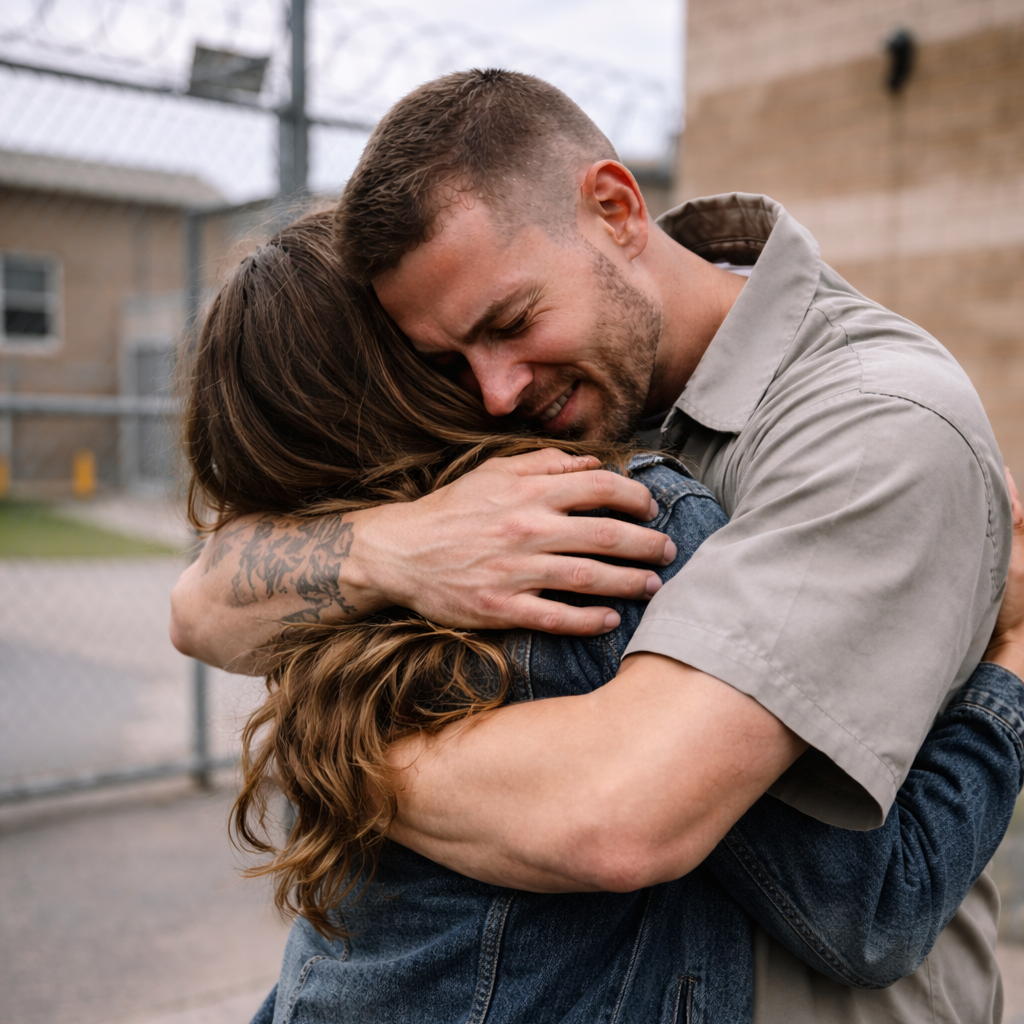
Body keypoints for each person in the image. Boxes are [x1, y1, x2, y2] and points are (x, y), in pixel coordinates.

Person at [171, 71, 1016, 1021]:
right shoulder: (518, 456)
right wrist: (392, 548)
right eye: (446, 363)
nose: (492, 391)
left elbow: (627, 816)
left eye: (511, 323)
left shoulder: (873, 426)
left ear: (615, 209)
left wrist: (333, 747)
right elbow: (199, 605)